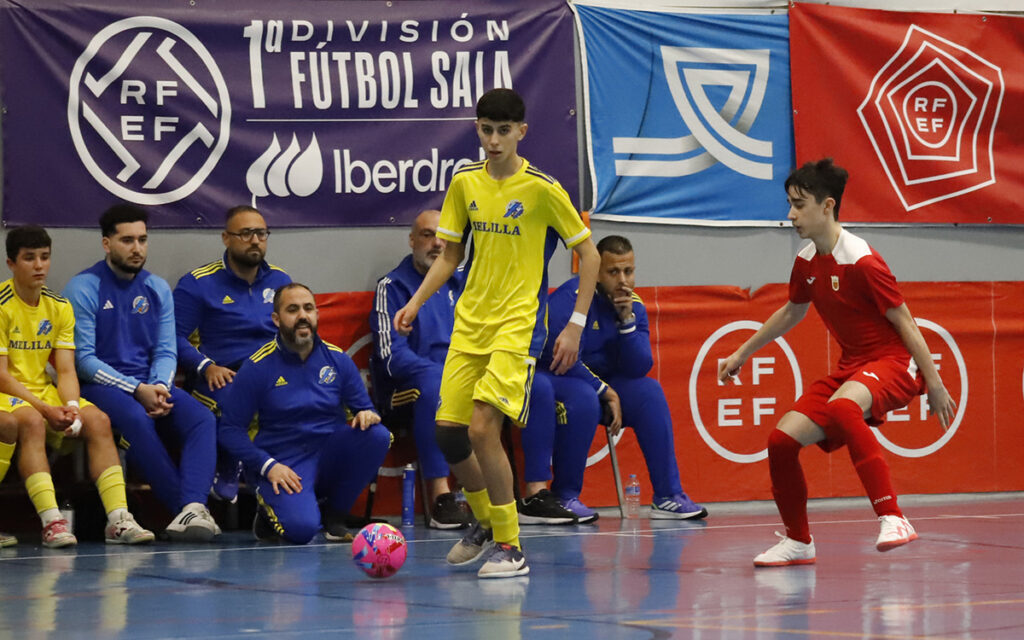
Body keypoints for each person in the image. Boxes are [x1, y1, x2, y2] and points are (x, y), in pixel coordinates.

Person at [394, 88, 601, 578]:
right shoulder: (464, 183)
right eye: (486, 129)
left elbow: (589, 255)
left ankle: (511, 545)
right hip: (470, 324)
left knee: (484, 427)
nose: (493, 139)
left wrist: (574, 324)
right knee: (447, 433)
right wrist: (416, 302)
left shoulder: (544, 190)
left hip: (518, 325)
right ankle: (486, 521)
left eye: (503, 130)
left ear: (521, 132)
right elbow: (449, 255)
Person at [717, 158, 956, 567]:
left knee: (844, 408)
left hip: (894, 363)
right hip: (853, 367)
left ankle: (893, 516)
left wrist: (933, 382)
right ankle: (798, 541)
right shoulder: (808, 260)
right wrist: (742, 351)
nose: (791, 214)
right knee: (781, 442)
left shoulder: (862, 261)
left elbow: (907, 323)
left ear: (827, 206)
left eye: (799, 204)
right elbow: (792, 311)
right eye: (789, 204)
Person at [371, 210, 575, 529]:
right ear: (411, 240)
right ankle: (442, 495)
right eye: (427, 235)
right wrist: (448, 373)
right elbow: (391, 357)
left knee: (537, 386)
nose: (437, 243)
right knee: (436, 382)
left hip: (469, 373)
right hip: (409, 388)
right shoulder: (393, 286)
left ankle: (535, 494)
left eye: (445, 236)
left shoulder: (469, 282)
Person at [64, 205, 220, 541]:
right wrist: (138, 390)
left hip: (150, 384)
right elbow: (84, 362)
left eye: (143, 240)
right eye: (127, 240)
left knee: (202, 419)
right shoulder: (84, 287)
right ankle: (184, 509)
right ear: (107, 244)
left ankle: (192, 506)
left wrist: (159, 388)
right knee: (137, 418)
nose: (137, 248)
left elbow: (165, 350)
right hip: (99, 386)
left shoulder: (157, 288)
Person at [535, 235, 707, 523]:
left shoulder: (633, 305)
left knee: (649, 392)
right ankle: (565, 495)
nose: (623, 280)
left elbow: (639, 366)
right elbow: (564, 359)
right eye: (613, 272)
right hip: (556, 376)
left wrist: (626, 322)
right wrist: (604, 390)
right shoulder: (570, 298)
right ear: (596, 272)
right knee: (584, 396)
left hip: (602, 382)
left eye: (629, 271)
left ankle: (667, 496)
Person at [0, 225, 153, 547]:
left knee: (97, 420)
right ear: (11, 263)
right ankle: (53, 522)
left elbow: (67, 370)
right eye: (29, 259)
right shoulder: (2, 304)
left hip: (42, 392)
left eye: (44, 257)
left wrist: (71, 408)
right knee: (29, 421)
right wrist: (44, 409)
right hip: (8, 393)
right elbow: (2, 375)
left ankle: (118, 520)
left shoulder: (58, 307)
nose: (39, 266)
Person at [218, 283, 391, 544]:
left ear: (317, 315)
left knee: (377, 435)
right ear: (276, 319)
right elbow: (230, 430)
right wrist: (268, 466)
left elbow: (365, 409)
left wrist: (367, 414)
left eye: (308, 308)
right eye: (292, 309)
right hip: (283, 462)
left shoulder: (338, 360)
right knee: (301, 531)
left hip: (327, 453)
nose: (302, 316)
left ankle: (334, 515)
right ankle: (269, 514)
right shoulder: (257, 366)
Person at [173, 205, 292, 503]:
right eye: (246, 234)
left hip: (271, 371)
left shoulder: (280, 281)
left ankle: (300, 489)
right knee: (234, 399)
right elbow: (171, 337)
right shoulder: (198, 283)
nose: (255, 240)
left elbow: (293, 332)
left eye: (261, 234)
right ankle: (230, 465)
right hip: (222, 375)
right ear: (226, 238)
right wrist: (205, 366)